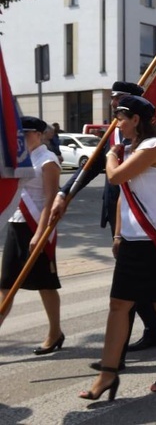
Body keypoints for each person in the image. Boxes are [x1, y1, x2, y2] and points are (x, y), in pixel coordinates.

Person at [50, 82, 156, 370]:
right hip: (121, 212)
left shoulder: (148, 138)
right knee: (136, 285)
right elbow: (90, 169)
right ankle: (154, 332)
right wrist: (65, 193)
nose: (114, 105)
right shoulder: (114, 133)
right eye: (114, 100)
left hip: (141, 216)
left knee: (128, 287)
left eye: (120, 100)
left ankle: (119, 357)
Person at [80, 96, 156, 400]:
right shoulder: (132, 150)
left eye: (120, 117)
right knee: (118, 306)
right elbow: (125, 194)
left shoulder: (153, 148)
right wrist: (119, 235)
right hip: (133, 244)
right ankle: (107, 375)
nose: (116, 123)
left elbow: (116, 176)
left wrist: (112, 155)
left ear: (136, 120)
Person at [0, 116, 63, 354]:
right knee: (6, 284)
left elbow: (50, 199)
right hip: (17, 225)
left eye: (28, 133)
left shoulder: (47, 161)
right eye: (21, 134)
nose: (24, 138)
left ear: (39, 134)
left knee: (45, 285)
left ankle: (55, 332)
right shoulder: (19, 159)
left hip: (37, 226)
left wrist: (39, 232)